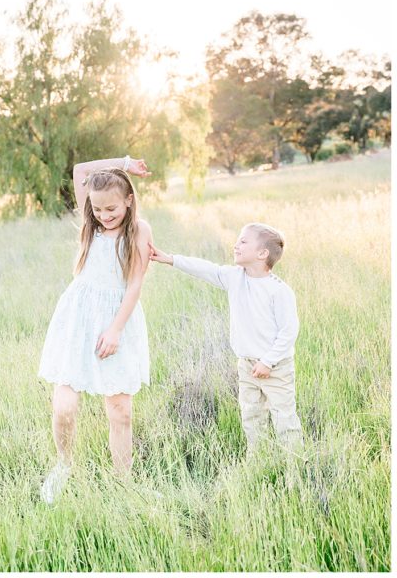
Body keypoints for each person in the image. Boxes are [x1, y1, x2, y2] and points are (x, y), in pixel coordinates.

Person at [37, 155, 154, 503]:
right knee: (65, 406)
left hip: (119, 318)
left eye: (112, 209)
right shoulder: (91, 226)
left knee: (120, 409)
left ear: (129, 200)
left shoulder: (139, 230)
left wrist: (116, 329)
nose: (104, 215)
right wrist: (124, 162)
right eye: (98, 209)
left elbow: (134, 285)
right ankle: (64, 465)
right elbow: (80, 171)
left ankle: (123, 483)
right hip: (78, 319)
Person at [150, 223, 302, 452]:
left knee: (284, 417)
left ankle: (295, 464)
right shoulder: (235, 277)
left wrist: (268, 361)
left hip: (275, 366)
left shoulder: (279, 291)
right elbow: (205, 268)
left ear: (262, 254)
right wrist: (171, 259)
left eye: (243, 241)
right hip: (247, 365)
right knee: (251, 415)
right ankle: (258, 459)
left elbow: (289, 332)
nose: (236, 245)